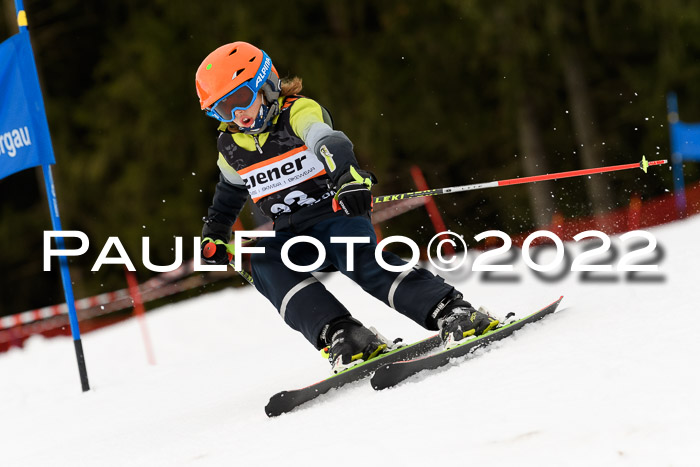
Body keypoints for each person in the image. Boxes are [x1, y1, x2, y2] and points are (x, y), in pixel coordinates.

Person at [195, 41, 498, 373]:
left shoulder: (296, 111)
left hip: (335, 213)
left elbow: (326, 139)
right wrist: (214, 234)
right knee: (264, 262)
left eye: (240, 99)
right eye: (223, 109)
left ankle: (452, 311)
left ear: (265, 84)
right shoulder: (231, 145)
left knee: (359, 260)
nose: (237, 114)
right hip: (291, 231)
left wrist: (348, 178)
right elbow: (228, 193)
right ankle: (344, 333)